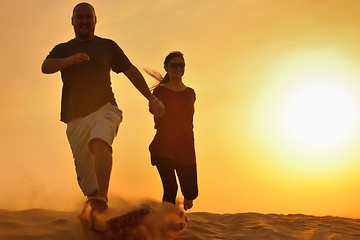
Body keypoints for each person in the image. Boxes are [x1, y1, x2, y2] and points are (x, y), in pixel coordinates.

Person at [41, 2, 165, 214]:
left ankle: (104, 198)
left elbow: (131, 71)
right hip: (75, 119)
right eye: (79, 17)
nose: (84, 21)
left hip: (105, 108)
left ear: (95, 19)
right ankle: (98, 218)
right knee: (89, 186)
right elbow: (46, 67)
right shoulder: (63, 49)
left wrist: (152, 99)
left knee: (100, 140)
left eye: (88, 17)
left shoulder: (108, 46)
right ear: (72, 21)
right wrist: (69, 60)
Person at [145, 51, 199, 211]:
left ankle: (171, 216)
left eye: (181, 65)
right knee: (170, 188)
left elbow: (190, 121)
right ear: (166, 68)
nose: (178, 68)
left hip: (186, 146)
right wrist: (154, 108)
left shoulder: (191, 93)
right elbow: (154, 108)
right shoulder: (160, 92)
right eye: (174, 65)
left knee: (191, 193)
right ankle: (163, 224)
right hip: (164, 145)